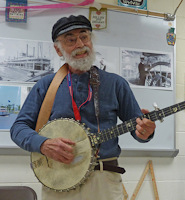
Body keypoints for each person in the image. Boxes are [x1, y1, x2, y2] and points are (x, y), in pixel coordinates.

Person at [10, 15, 156, 200]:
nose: (80, 44)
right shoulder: (45, 85)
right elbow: (18, 128)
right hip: (58, 180)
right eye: (71, 39)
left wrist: (146, 132)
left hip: (104, 180)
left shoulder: (116, 84)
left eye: (84, 37)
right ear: (58, 49)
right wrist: (43, 144)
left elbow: (138, 128)